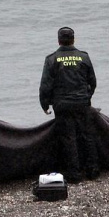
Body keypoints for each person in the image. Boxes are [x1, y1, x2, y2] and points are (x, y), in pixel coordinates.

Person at [39, 27, 99, 183]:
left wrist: (45, 104)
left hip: (62, 104)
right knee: (87, 136)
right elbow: (92, 81)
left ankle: (74, 174)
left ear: (59, 41)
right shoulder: (84, 57)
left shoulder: (52, 59)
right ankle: (93, 171)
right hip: (82, 103)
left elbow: (46, 85)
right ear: (74, 39)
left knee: (68, 138)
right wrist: (87, 97)